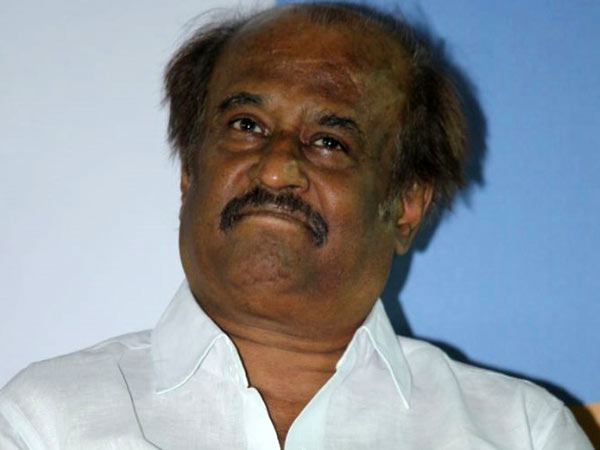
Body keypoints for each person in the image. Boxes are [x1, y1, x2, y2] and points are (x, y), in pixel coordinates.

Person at [0, 2, 592, 449]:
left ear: (405, 206)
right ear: (189, 172)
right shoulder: (45, 422)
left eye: (329, 141)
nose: (277, 168)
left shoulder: (520, 433)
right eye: (246, 126)